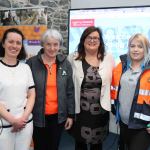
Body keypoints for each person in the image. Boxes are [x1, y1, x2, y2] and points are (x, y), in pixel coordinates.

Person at [26, 29, 75, 150]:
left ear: (59, 45)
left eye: (55, 44)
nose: (52, 48)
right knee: (39, 146)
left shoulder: (65, 64)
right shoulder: (31, 63)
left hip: (58, 117)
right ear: (43, 44)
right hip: (37, 116)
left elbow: (70, 91)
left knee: (54, 146)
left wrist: (70, 115)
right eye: (48, 44)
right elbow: (25, 91)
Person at [68, 26, 115, 150]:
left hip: (100, 110)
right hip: (81, 111)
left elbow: (114, 81)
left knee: (97, 144)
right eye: (89, 37)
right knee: (80, 143)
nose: (92, 40)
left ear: (100, 42)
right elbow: (68, 83)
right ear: (83, 40)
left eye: (96, 38)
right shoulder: (73, 58)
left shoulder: (108, 58)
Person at [111, 33, 150, 150]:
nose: (135, 49)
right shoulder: (121, 67)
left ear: (146, 49)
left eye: (140, 46)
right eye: (132, 46)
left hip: (142, 127)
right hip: (123, 122)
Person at [0, 28, 35, 150]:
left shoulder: (25, 68)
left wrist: (23, 119)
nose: (14, 46)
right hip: (3, 126)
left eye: (18, 43)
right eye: (11, 41)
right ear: (3, 43)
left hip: (25, 124)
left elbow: (31, 94)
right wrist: (13, 120)